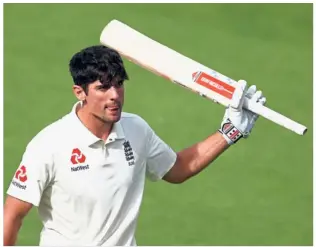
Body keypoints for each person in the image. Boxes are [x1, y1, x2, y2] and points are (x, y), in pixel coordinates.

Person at [3, 45, 266, 246]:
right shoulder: (49, 144)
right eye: (103, 88)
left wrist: (230, 132)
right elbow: (12, 215)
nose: (115, 96)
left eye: (119, 85)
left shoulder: (136, 130)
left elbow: (178, 168)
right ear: (79, 92)